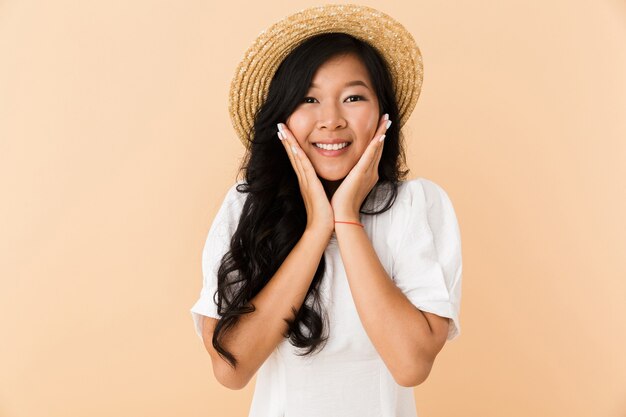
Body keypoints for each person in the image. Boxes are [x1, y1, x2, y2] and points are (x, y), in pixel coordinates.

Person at [190, 4, 463, 417]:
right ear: (281, 116)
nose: (331, 120)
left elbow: (410, 366)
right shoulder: (246, 206)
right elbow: (232, 369)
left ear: (383, 115)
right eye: (308, 99)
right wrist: (318, 228)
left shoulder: (418, 206)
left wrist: (347, 219)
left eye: (353, 97)